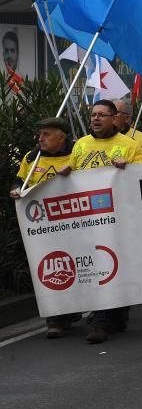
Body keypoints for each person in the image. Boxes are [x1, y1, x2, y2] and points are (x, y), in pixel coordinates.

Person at [58, 100, 142, 344]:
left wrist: (128, 169)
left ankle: (114, 316)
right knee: (98, 267)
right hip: (88, 220)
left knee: (117, 267)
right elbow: (72, 174)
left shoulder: (129, 146)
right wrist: (65, 172)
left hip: (119, 218)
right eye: (93, 115)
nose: (95, 119)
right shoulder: (81, 145)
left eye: (101, 115)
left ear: (114, 118)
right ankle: (100, 319)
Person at [9, 117, 79, 339]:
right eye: (40, 134)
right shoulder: (32, 157)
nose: (40, 139)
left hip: (75, 221)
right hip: (45, 225)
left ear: (61, 136)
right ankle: (55, 318)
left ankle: (75, 310)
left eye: (46, 134)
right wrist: (16, 190)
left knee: (77, 266)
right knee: (51, 267)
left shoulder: (77, 152)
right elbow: (19, 181)